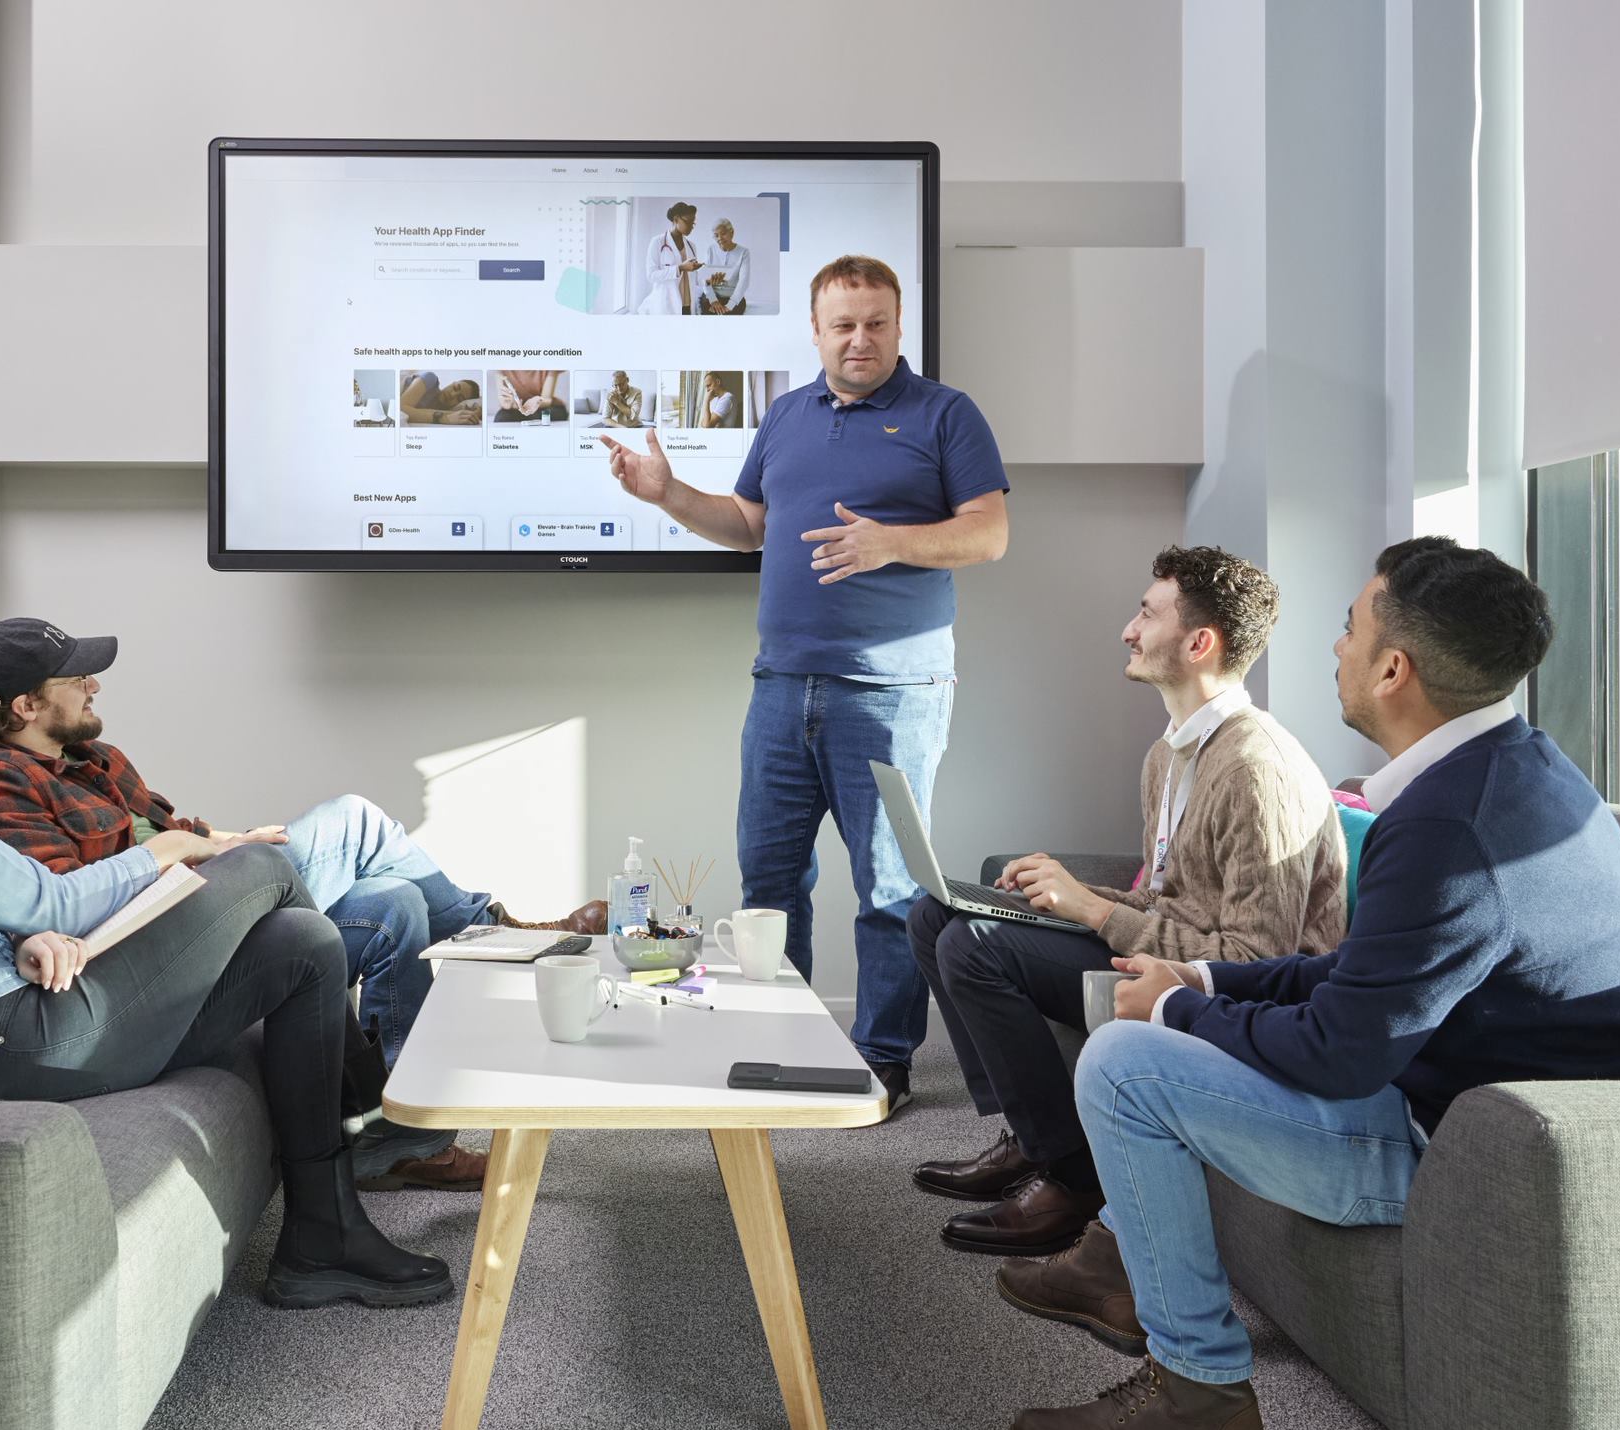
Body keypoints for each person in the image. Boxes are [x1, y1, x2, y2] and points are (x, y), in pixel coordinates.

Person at [999, 538, 1620, 1430]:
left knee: (1121, 1063)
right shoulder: (1509, 772)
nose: (1336, 646)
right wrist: (1205, 986)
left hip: (1470, 1158)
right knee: (1149, 1023)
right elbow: (1363, 976)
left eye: (1351, 627)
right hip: (1470, 1112)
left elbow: (1344, 1052)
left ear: (1395, 668)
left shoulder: (1449, 827)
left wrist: (1173, 1019)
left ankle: (1197, 1397)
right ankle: (1131, 1278)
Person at [0, 556, 451, 1310]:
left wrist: (23, 939)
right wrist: (166, 850)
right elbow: (51, 900)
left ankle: (321, 1235)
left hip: (3, 1018)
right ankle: (376, 1111)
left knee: (301, 943)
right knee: (262, 867)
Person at [0, 617, 606, 1185]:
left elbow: (177, 830)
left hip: (207, 899)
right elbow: (71, 903)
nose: (93, 685)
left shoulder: (94, 756)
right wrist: (192, 855)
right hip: (159, 945)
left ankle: (405, 1134)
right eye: (75, 680)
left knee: (393, 903)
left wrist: (228, 842)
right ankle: (490, 931)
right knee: (354, 818)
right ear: (25, 706)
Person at [601, 254, 1010, 1114]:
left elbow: (989, 534)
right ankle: (776, 1040)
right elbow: (750, 524)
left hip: (892, 693)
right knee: (769, 887)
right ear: (817, 331)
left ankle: (882, 1061)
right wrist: (670, 494)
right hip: (782, 687)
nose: (859, 339)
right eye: (842, 324)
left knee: (891, 892)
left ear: (899, 326)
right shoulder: (786, 416)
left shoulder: (945, 415)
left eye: (875, 323)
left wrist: (892, 542)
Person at [908, 546, 1346, 1256]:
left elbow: (1254, 959)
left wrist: (1092, 911)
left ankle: (1076, 1176)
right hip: (1176, 955)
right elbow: (1167, 898)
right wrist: (1063, 893)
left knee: (974, 948)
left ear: (1200, 643)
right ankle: (1028, 1139)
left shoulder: (1257, 770)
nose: (1127, 629)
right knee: (940, 916)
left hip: (1234, 996)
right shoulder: (1170, 754)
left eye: (1147, 613)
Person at [638, 201, 703, 316]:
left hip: (688, 306)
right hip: (666, 305)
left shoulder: (692, 247)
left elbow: (694, 281)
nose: (691, 227)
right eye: (688, 222)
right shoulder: (657, 242)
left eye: (693, 224)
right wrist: (680, 268)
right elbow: (651, 275)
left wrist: (706, 282)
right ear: (676, 219)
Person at [699, 218, 750, 314]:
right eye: (716, 235)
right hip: (712, 295)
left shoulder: (743, 252)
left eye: (723, 234)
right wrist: (713, 300)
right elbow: (704, 279)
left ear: (732, 233)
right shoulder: (710, 249)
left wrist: (730, 305)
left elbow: (744, 281)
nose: (720, 238)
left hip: (733, 297)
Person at [399, 371, 480, 426]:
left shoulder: (447, 410)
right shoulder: (430, 378)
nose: (452, 395)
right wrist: (444, 418)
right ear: (452, 383)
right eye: (455, 388)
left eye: (459, 398)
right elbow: (400, 409)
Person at [493, 369, 568, 424]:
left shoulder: (551, 362)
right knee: (502, 417)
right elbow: (503, 400)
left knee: (556, 414)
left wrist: (537, 401)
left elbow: (547, 399)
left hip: (541, 406)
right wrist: (512, 405)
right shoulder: (501, 365)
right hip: (516, 408)